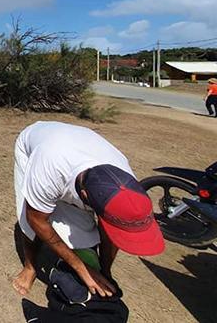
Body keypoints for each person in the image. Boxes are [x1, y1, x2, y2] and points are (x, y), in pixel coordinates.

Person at [12, 121, 164, 299]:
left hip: (78, 146)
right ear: (84, 195)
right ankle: (30, 267)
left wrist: (105, 271)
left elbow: (112, 233)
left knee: (82, 228)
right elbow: (36, 219)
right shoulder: (49, 167)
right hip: (35, 146)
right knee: (31, 220)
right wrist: (81, 267)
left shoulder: (125, 178)